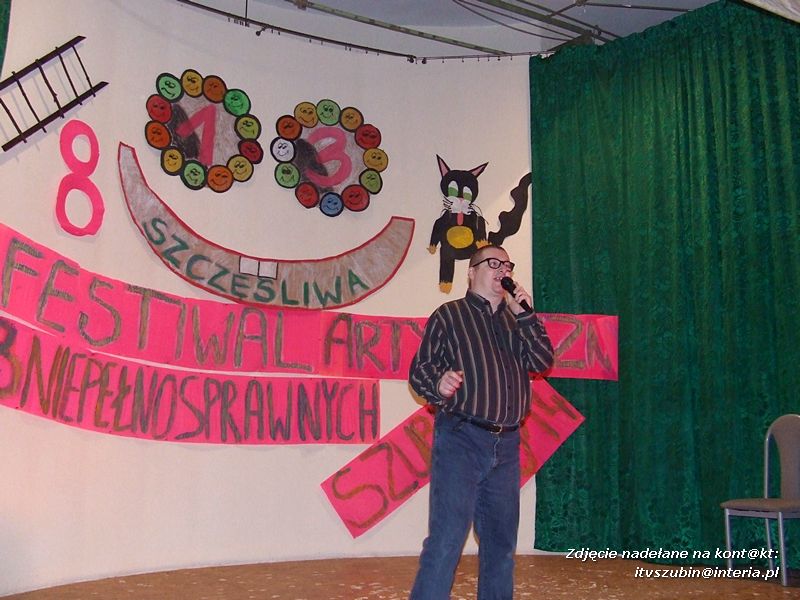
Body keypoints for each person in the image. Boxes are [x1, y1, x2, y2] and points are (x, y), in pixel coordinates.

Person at [408, 244, 554, 600]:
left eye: (507, 265)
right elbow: (420, 370)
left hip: (507, 445)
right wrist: (438, 383)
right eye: (493, 263)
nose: (503, 270)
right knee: (447, 540)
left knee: (501, 545)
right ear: (471, 272)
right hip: (461, 439)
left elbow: (542, 361)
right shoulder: (449, 316)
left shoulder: (516, 321)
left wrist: (526, 316)